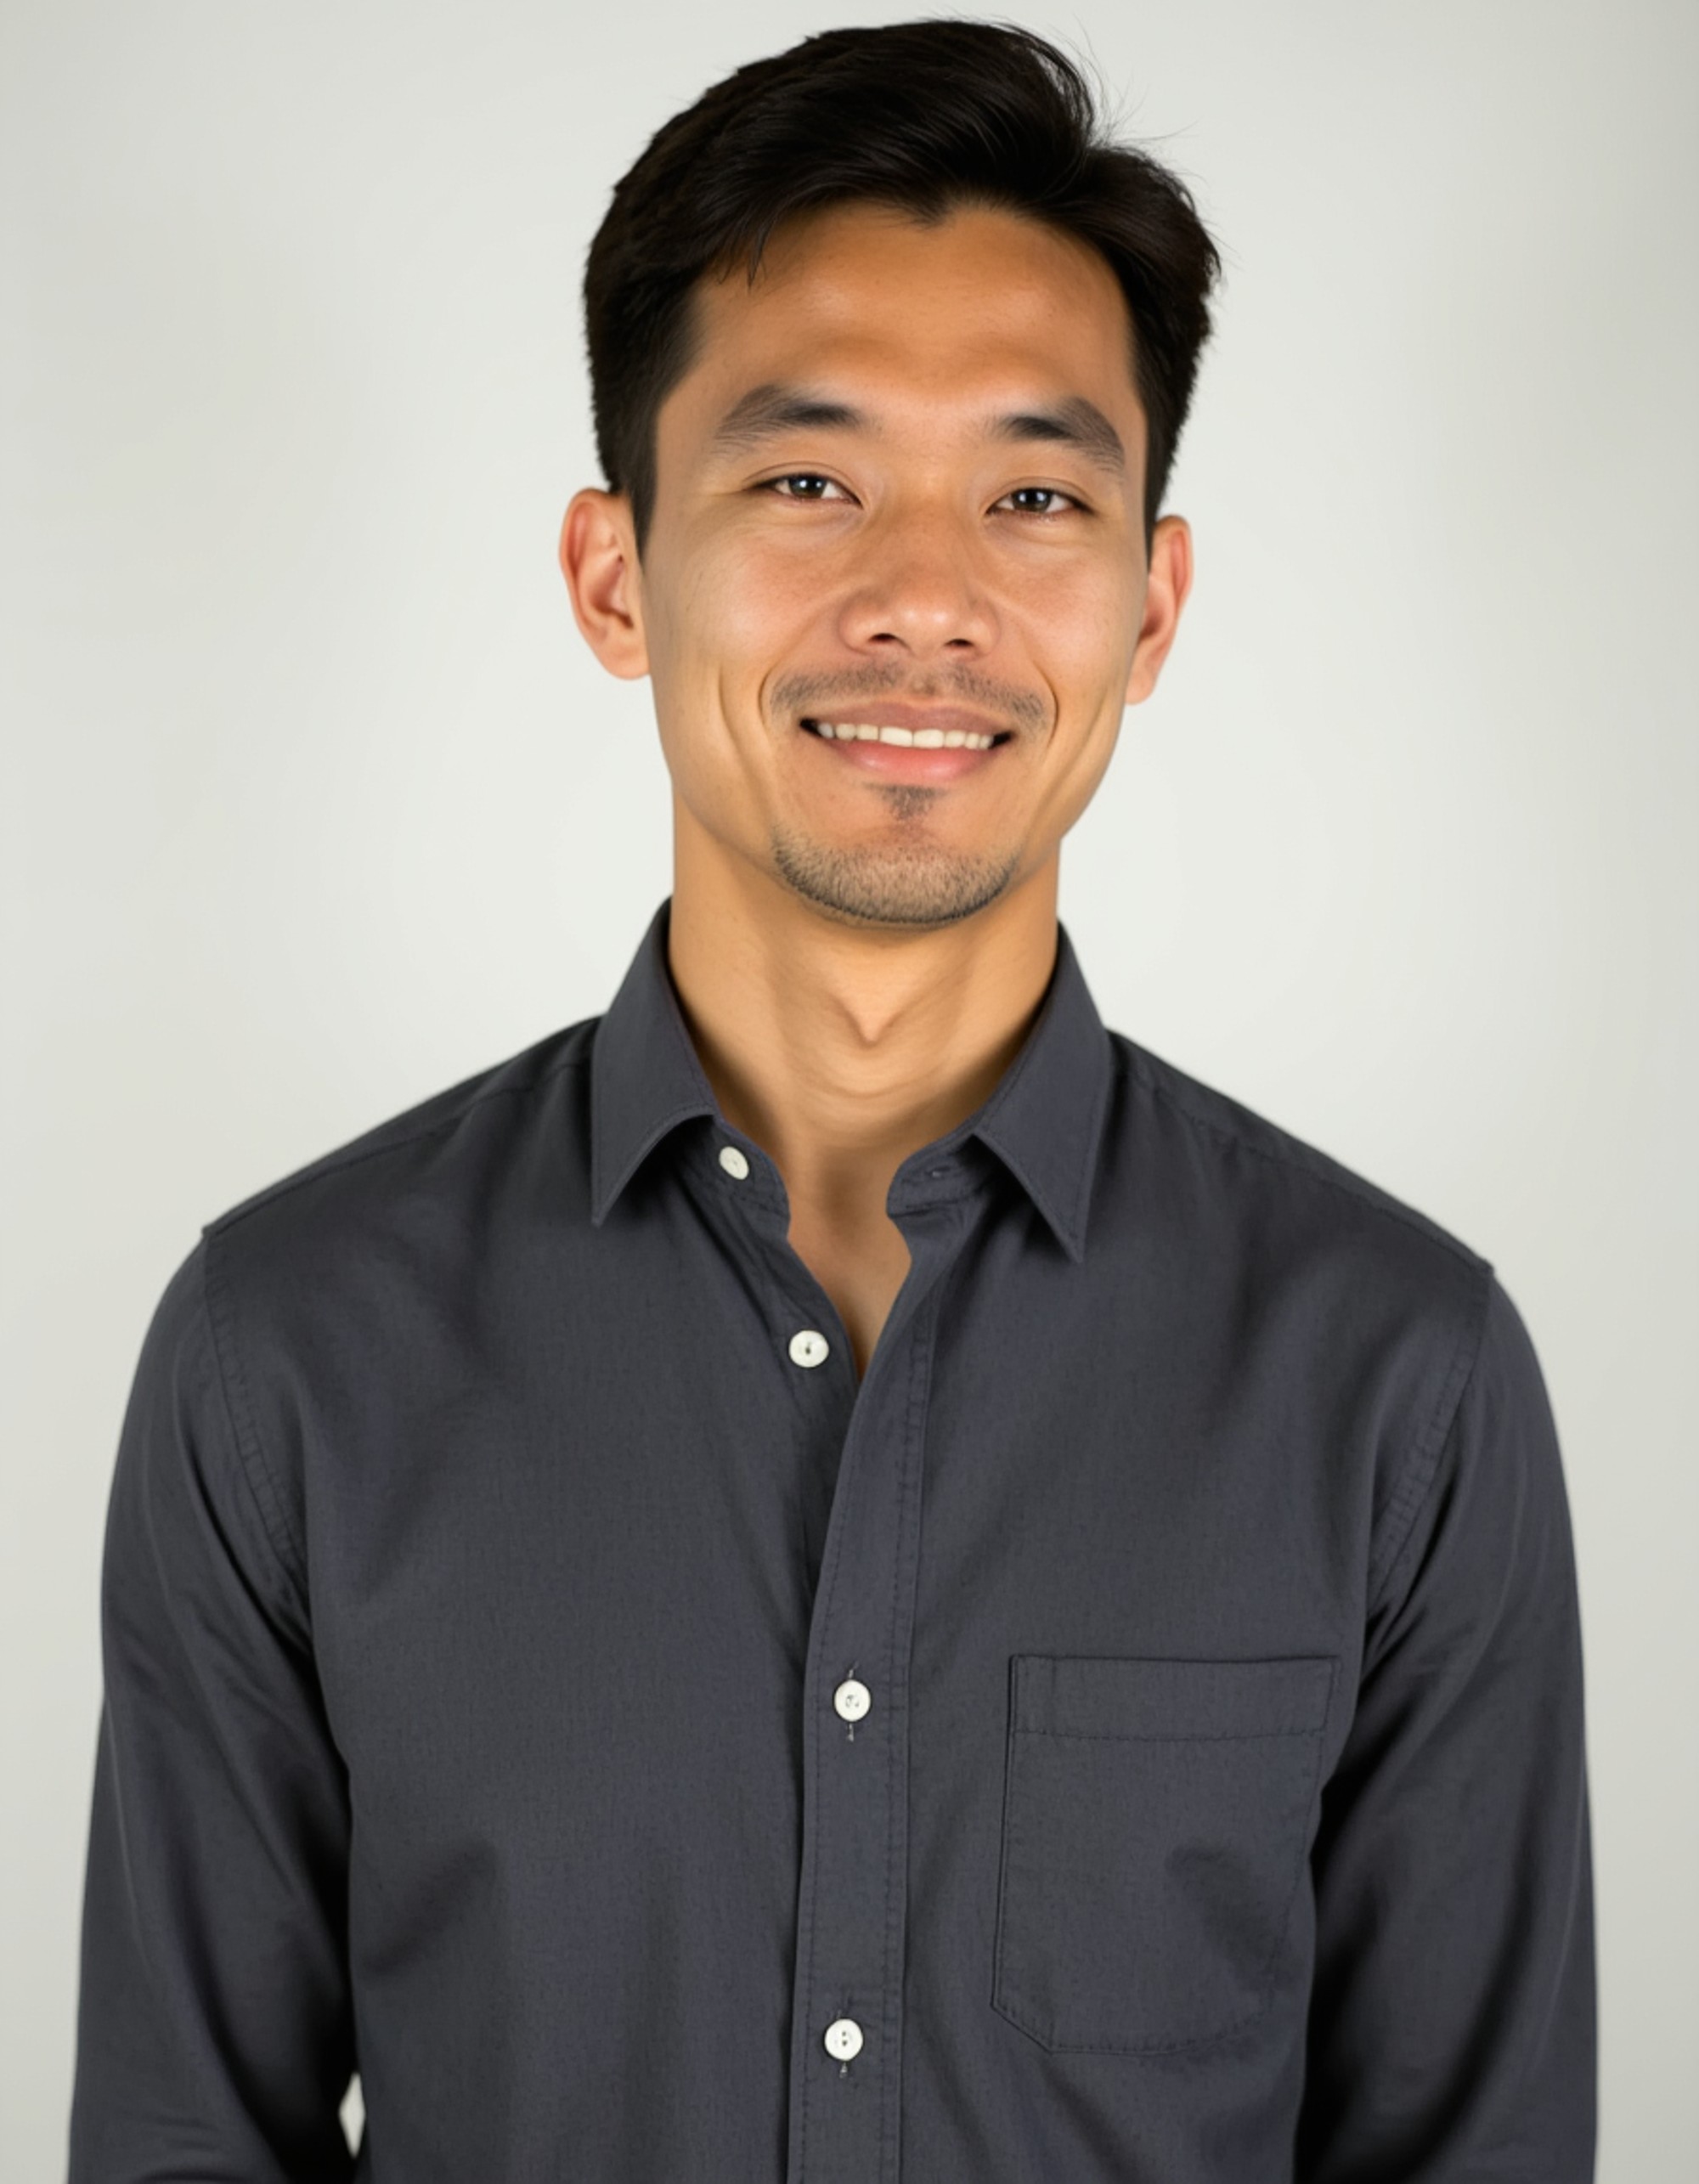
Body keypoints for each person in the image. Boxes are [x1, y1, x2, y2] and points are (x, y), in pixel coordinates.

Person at [68, 19, 1595, 2181]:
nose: (925, 598)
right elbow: (180, 2137)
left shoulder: (1398, 1372)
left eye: (1037, 492)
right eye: (806, 477)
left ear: (1148, 605)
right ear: (617, 572)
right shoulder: (287, 1345)